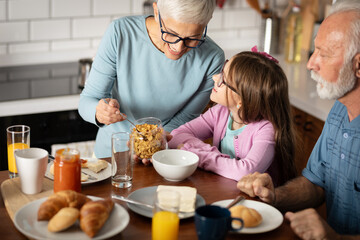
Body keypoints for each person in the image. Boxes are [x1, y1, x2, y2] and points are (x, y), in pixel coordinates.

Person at [237, 0, 360, 238]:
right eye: (315, 50)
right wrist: (274, 196)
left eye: (324, 54)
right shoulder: (338, 111)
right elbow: (316, 184)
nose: (310, 63)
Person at [78, 0, 224, 159]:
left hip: (165, 158)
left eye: (192, 38)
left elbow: (186, 119)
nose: (178, 47)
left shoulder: (213, 58)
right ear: (157, 12)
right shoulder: (121, 32)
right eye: (172, 33)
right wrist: (99, 112)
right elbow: (88, 100)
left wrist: (153, 143)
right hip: (110, 158)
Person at [168, 47, 297, 186]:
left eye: (223, 79)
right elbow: (177, 135)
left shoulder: (266, 129)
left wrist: (195, 153)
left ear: (242, 100)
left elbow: (246, 172)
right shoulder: (220, 112)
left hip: (256, 203)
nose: (214, 77)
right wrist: (210, 154)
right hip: (224, 189)